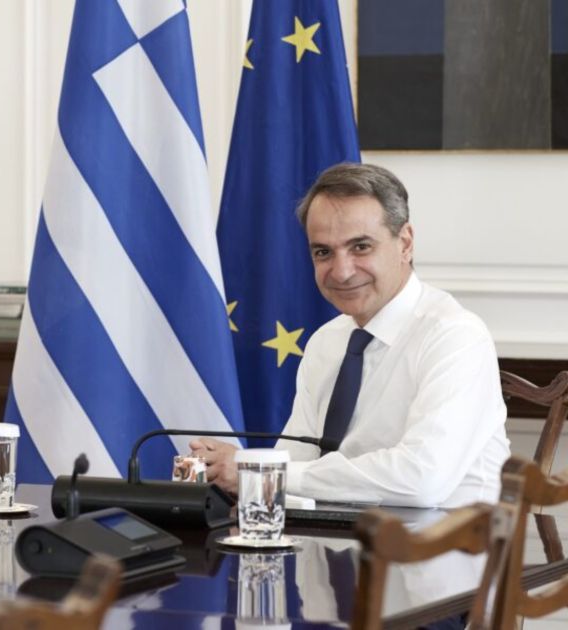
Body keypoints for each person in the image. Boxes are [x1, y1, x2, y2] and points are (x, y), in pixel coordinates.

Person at [191, 163, 509, 508]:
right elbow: (295, 460)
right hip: (333, 533)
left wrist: (257, 470)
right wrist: (228, 471)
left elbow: (422, 479)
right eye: (323, 252)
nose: (341, 272)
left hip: (444, 536)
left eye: (360, 247)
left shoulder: (455, 336)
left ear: (405, 244)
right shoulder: (326, 341)